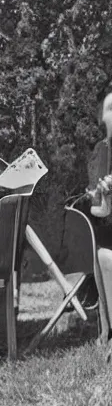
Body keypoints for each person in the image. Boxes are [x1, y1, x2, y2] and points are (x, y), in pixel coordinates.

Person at [84, 85, 112, 360]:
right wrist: (103, 193)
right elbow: (97, 209)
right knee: (106, 257)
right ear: (102, 119)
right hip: (109, 228)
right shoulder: (101, 152)